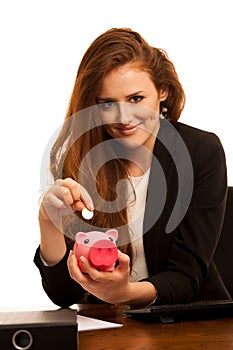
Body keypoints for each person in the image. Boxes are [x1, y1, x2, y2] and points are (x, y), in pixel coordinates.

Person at [34, 27, 231, 308]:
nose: (123, 117)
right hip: (111, 327)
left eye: (136, 99)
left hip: (190, 324)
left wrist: (124, 293)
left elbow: (187, 278)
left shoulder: (200, 151)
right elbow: (64, 295)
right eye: (107, 104)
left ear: (163, 91)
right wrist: (47, 220)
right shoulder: (82, 157)